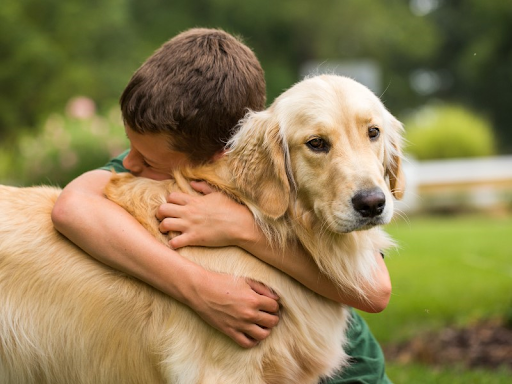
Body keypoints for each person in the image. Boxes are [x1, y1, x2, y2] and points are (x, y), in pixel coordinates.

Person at [51, 28, 392, 383]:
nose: (130, 164)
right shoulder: (170, 147)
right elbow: (71, 207)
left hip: (352, 369)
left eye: (149, 161)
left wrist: (241, 229)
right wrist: (199, 287)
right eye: (131, 147)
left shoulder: (260, 159)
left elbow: (376, 290)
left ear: (218, 157)